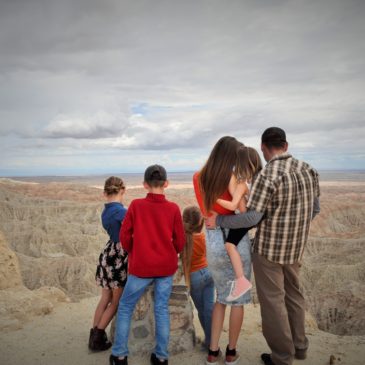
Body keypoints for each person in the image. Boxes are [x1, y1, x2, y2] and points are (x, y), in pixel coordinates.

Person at [206, 127, 320, 365]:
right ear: (286, 146)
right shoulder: (309, 170)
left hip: (269, 249)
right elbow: (315, 209)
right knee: (294, 294)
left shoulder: (267, 175)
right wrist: (294, 227)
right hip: (296, 246)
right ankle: (300, 347)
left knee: (273, 302)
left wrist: (220, 220)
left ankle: (282, 357)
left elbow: (251, 218)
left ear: (263, 148)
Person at [110, 165, 185, 365]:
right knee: (161, 309)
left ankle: (119, 355)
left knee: (125, 307)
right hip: (166, 268)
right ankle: (161, 357)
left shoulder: (135, 206)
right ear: (166, 184)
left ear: (144, 185)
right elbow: (180, 241)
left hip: (141, 267)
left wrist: (135, 251)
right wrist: (170, 252)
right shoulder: (173, 208)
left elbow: (124, 236)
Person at [193, 136, 252, 365]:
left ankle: (212, 352)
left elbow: (207, 212)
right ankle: (230, 352)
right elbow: (242, 213)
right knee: (238, 298)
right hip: (235, 242)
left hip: (213, 244)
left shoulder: (198, 177)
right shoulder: (233, 177)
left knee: (221, 298)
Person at [216, 146, 263, 302]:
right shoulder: (252, 181)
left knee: (229, 246)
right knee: (230, 245)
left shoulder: (242, 184)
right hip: (247, 216)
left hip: (244, 218)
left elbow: (232, 206)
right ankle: (241, 280)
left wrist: (214, 200)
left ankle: (241, 280)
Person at [89, 176, 128, 352]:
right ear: (123, 191)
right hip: (119, 257)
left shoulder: (105, 212)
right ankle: (98, 336)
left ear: (105, 193)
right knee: (116, 301)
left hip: (108, 253)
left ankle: (93, 333)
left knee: (105, 298)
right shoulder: (122, 212)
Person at [181, 206, 215, 350]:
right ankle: (212, 342)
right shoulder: (204, 237)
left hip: (194, 278)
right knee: (209, 309)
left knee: (202, 311)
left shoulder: (183, 240)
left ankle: (208, 342)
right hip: (208, 273)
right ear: (200, 223)